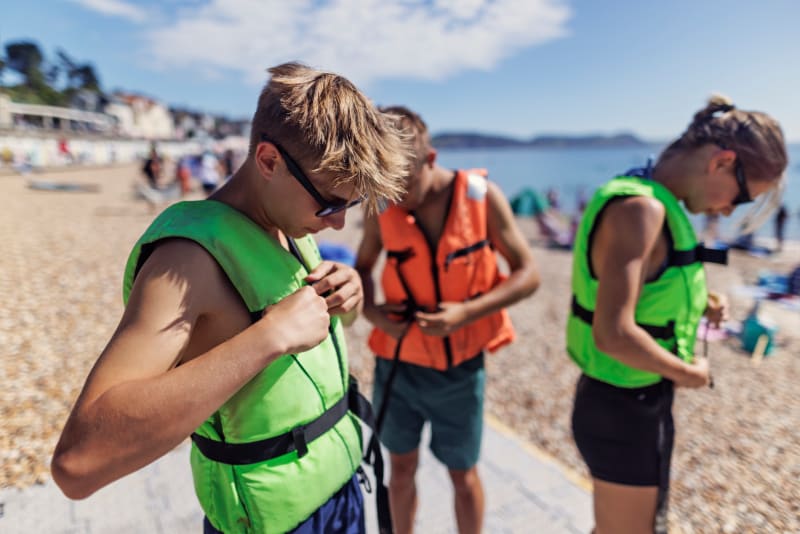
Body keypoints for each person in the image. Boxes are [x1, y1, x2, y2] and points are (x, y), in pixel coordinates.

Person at [51, 62, 411, 534]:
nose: (339, 222)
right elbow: (79, 463)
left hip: (342, 495)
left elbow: (312, 340)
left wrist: (352, 295)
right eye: (329, 203)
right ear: (267, 160)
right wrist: (268, 337)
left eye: (351, 203)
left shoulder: (287, 224)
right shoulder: (186, 262)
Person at [566, 95, 787, 534]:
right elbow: (612, 334)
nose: (727, 211)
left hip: (631, 402)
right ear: (722, 162)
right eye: (740, 199)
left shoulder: (650, 197)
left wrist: (698, 300)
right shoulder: (641, 210)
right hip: (621, 407)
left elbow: (637, 285)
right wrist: (687, 373)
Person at [355, 106, 540, 534]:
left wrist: (468, 313)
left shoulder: (482, 197)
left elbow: (528, 274)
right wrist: (372, 312)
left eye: (407, 182)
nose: (397, 195)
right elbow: (363, 267)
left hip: (461, 369)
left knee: (463, 473)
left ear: (432, 159)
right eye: (389, 184)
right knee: (399, 469)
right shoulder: (380, 203)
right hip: (398, 366)